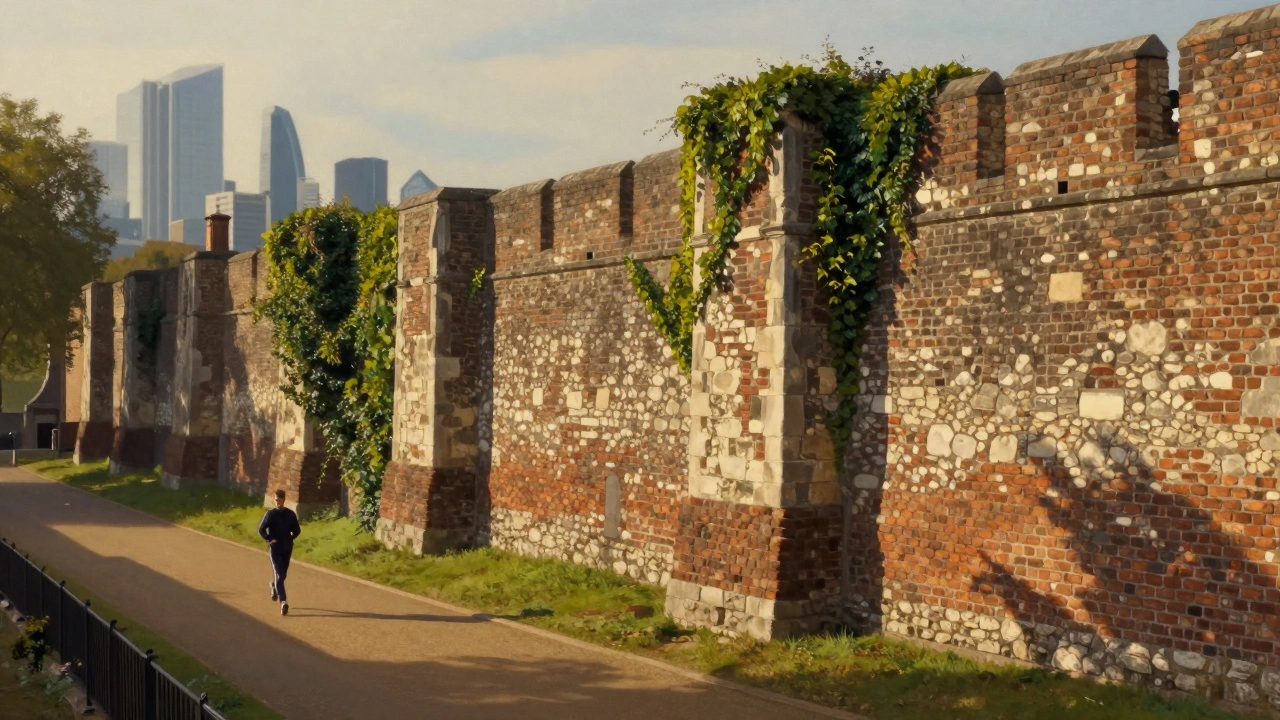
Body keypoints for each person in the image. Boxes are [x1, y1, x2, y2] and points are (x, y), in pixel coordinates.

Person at [258, 489, 301, 616]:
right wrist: (269, 539)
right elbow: (261, 529)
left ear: (284, 499)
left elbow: (297, 530)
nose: (278, 502)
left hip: (287, 548)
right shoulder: (270, 514)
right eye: (276, 500)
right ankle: (283, 602)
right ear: (273, 499)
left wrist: (290, 539)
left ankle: (274, 586)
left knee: (282, 575)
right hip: (275, 549)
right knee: (280, 575)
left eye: (280, 500)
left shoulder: (290, 514)